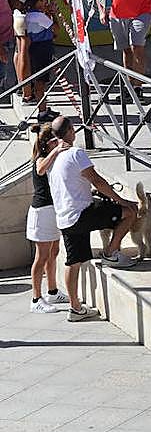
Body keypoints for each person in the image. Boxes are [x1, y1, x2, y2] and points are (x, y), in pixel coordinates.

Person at [43, 116, 138, 320]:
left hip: (65, 218)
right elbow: (98, 180)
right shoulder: (76, 153)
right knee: (130, 212)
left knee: (73, 262)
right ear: (70, 131)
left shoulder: (53, 158)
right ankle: (112, 252)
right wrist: (121, 200)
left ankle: (75, 308)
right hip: (82, 213)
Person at [27, 123, 69, 313]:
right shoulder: (41, 157)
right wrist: (57, 150)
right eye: (55, 140)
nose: (59, 142)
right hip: (41, 211)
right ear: (47, 144)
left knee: (54, 252)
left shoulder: (54, 156)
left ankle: (52, 291)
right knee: (41, 256)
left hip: (53, 210)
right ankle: (36, 299)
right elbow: (40, 169)